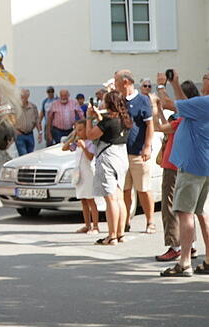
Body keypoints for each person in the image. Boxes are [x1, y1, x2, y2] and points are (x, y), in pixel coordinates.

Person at [158, 71, 209, 277]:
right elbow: (184, 103)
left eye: (206, 80)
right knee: (200, 212)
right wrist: (176, 83)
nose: (203, 81)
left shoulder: (204, 103)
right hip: (203, 164)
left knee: (184, 212)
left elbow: (170, 104)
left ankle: (184, 262)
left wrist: (161, 86)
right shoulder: (200, 104)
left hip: (191, 165)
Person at [86, 91, 131, 245]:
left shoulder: (107, 122)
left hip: (108, 159)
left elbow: (90, 134)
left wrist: (89, 118)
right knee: (119, 198)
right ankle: (120, 234)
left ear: (109, 103)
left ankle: (111, 236)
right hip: (121, 157)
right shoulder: (124, 119)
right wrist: (98, 116)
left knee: (110, 199)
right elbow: (108, 128)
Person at [115, 70, 155, 234]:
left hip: (138, 152)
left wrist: (147, 146)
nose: (115, 85)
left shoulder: (143, 100)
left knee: (143, 189)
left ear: (125, 82)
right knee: (125, 190)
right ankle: (126, 221)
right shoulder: (118, 100)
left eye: (117, 81)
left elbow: (149, 125)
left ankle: (150, 221)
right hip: (122, 152)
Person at [67, 120, 99, 234]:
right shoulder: (77, 141)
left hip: (88, 173)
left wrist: (84, 147)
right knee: (83, 200)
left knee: (90, 200)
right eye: (77, 130)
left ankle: (95, 226)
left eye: (80, 130)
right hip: (79, 174)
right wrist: (73, 136)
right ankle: (87, 225)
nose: (79, 132)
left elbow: (90, 157)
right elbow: (65, 147)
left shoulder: (91, 142)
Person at [14, 88, 41, 156]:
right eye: (21, 97)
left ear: (27, 97)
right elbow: (10, 120)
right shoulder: (15, 107)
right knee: (23, 154)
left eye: (24, 97)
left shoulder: (33, 107)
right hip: (19, 134)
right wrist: (14, 130)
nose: (22, 98)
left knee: (30, 155)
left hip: (30, 134)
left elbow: (37, 120)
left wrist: (40, 132)